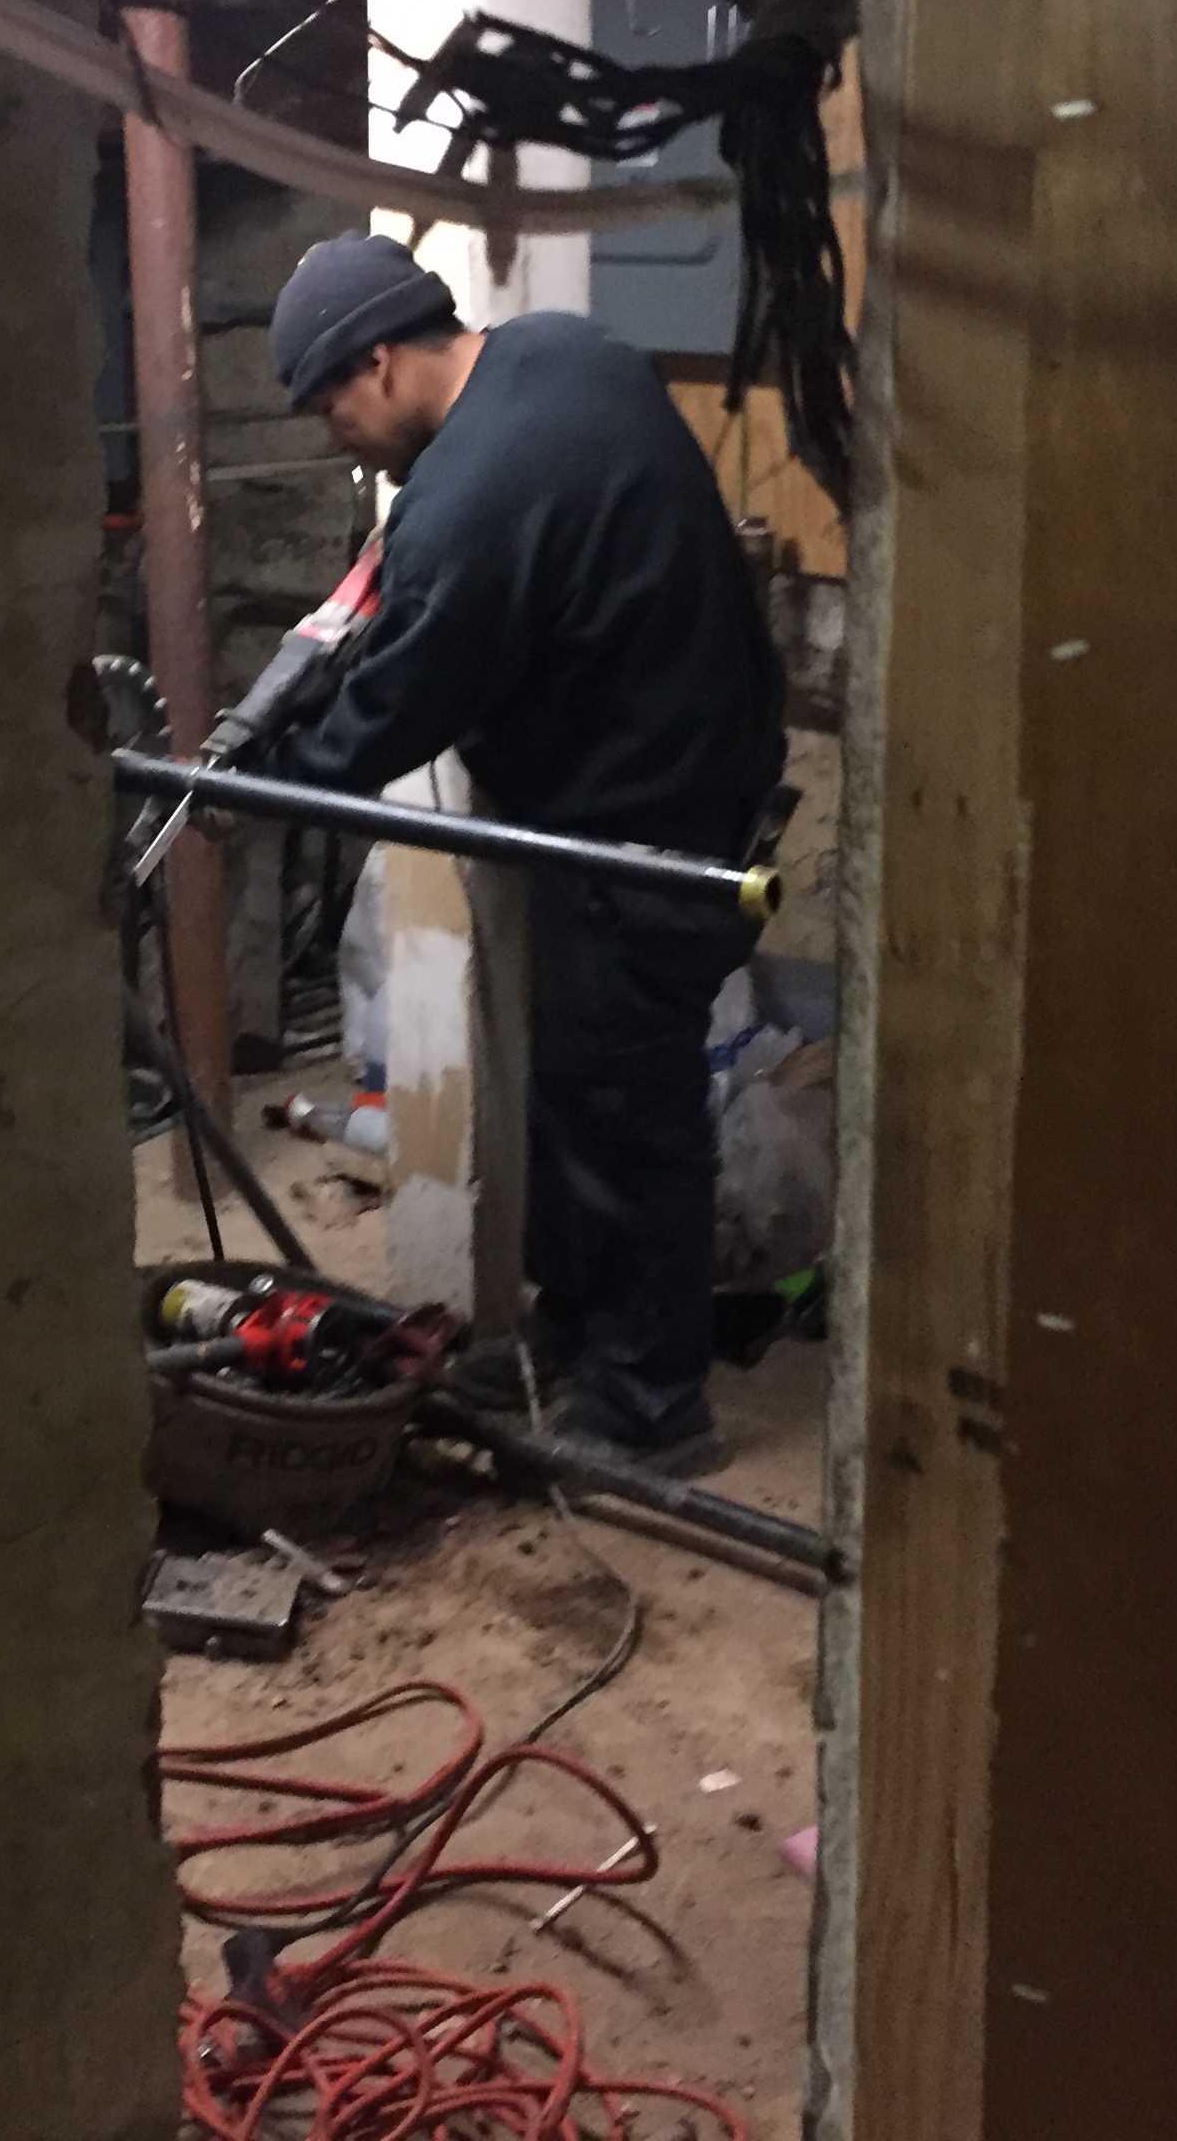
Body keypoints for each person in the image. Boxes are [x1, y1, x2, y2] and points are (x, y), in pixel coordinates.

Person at [246, 233, 786, 1474]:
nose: (340, 438)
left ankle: (650, 1410)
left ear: (380, 361)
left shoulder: (468, 499)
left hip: (648, 831)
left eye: (331, 405)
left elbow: (393, 710)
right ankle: (579, 1331)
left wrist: (261, 783)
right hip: (676, 784)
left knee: (628, 1110)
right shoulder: (565, 355)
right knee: (580, 1095)